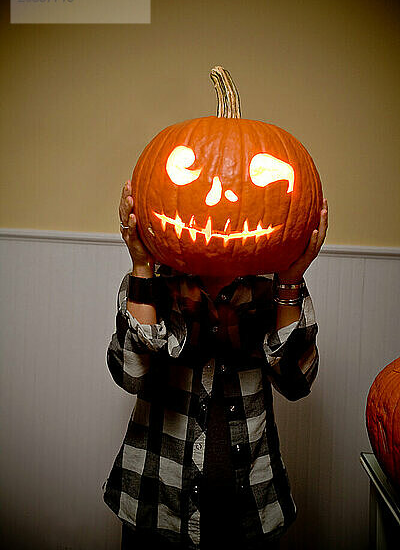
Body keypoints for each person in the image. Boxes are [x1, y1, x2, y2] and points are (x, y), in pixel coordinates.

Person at [102, 180, 328, 550]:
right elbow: (131, 373)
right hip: (156, 501)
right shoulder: (156, 284)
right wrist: (142, 265)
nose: (222, 200)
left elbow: (297, 382)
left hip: (249, 506)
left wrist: (290, 280)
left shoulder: (270, 286)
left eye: (243, 188)